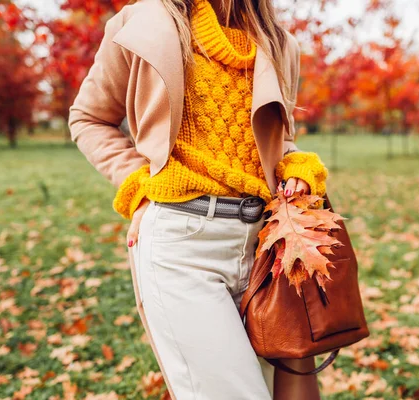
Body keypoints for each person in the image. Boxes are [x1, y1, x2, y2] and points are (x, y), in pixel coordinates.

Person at [68, 0, 328, 399]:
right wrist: (137, 183)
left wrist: (298, 166)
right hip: (181, 244)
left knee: (286, 392)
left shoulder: (279, 43)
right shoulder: (143, 21)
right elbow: (88, 118)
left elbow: (270, 142)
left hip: (266, 249)